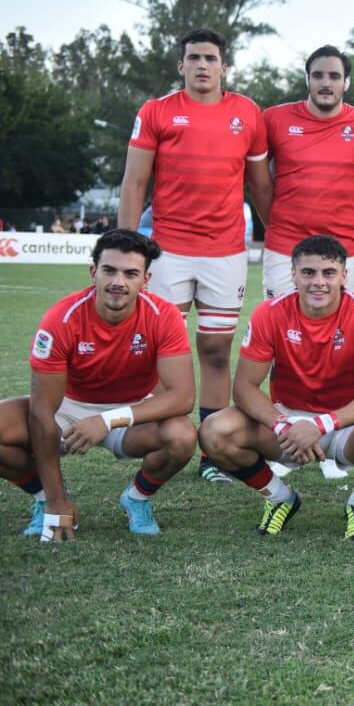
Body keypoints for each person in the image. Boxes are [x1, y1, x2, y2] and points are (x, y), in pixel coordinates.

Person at [117, 28, 271, 484]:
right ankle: (157, 433)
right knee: (157, 346)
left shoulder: (247, 112)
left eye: (210, 58)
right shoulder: (157, 111)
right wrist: (128, 246)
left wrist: (278, 228)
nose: (202, 65)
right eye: (193, 58)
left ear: (225, 66)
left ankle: (212, 453)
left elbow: (260, 185)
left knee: (216, 349)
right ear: (180, 66)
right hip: (168, 251)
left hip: (225, 252)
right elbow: (134, 183)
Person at [199, 235, 354, 539]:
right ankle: (279, 498)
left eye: (329, 273)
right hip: (287, 422)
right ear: (293, 275)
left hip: (347, 422)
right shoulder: (269, 312)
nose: (318, 282)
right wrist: (283, 426)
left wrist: (321, 425)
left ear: (345, 276)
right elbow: (244, 387)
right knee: (215, 430)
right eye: (308, 272)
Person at [1, 230, 195, 539]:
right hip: (67, 407)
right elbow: (41, 410)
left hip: (132, 412)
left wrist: (106, 420)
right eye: (109, 270)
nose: (119, 281)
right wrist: (55, 499)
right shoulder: (61, 318)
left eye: (130, 273)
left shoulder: (164, 316)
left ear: (145, 279)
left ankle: (137, 498)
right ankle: (45, 499)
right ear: (94, 273)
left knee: (182, 436)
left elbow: (183, 397)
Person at [260, 45, 354, 299]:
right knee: (280, 331)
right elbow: (256, 178)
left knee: (341, 335)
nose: (326, 83)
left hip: (345, 248)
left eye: (334, 76)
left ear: (346, 82)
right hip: (284, 247)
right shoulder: (274, 119)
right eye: (318, 75)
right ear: (307, 79)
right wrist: (273, 223)